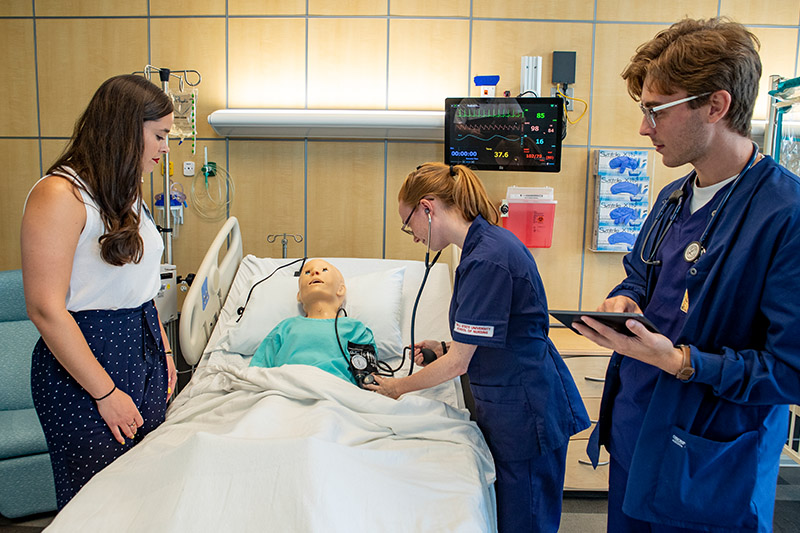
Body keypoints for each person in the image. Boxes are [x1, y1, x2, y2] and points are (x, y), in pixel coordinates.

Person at [574, 18, 800, 532]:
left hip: (712, 464)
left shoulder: (786, 215)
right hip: (639, 433)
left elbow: (790, 370)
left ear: (716, 106)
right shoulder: (672, 198)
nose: (643, 127)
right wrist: (624, 302)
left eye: (656, 110)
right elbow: (639, 278)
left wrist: (680, 361)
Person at [368, 162, 590, 533]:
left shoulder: (488, 258)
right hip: (512, 401)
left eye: (409, 224)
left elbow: (459, 364)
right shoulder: (482, 247)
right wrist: (443, 346)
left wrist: (395, 388)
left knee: (527, 522)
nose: (413, 236)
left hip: (525, 409)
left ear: (428, 208)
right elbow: (488, 332)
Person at [21, 74, 178, 509]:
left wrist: (163, 355)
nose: (166, 148)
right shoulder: (60, 194)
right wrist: (105, 394)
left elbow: (140, 291)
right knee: (97, 506)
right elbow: (44, 308)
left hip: (140, 347)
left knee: (143, 496)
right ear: (126, 128)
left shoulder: (126, 191)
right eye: (160, 135)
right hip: (86, 361)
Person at [250, 258, 377, 387]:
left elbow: (367, 379)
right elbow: (256, 373)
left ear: (341, 289)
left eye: (324, 270)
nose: (315, 272)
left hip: (334, 391)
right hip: (286, 389)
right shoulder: (285, 327)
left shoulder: (355, 329)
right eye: (307, 272)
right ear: (299, 295)